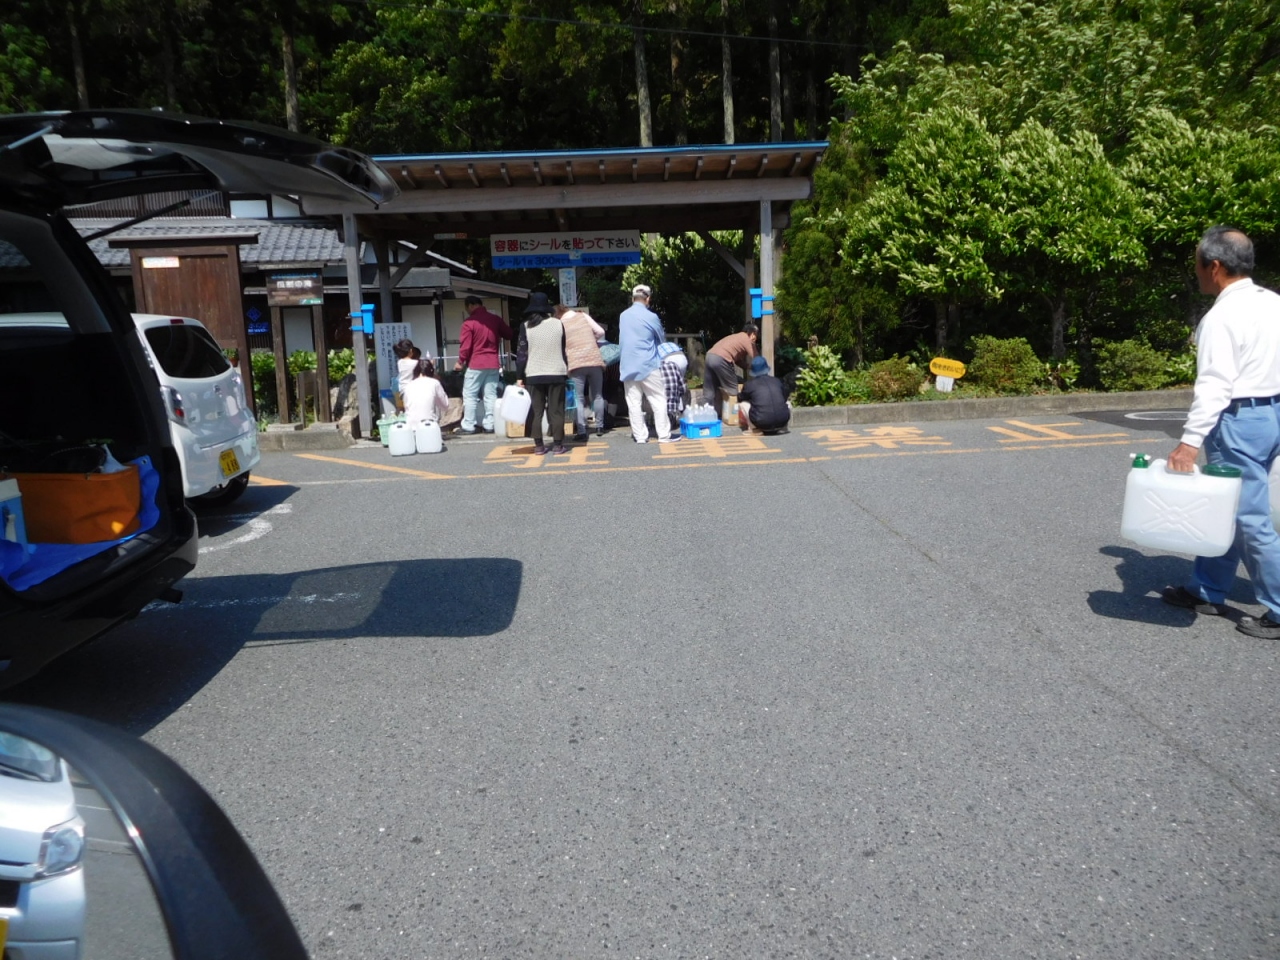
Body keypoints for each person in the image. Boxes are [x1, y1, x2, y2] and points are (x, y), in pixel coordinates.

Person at [1160, 226, 1280, 638]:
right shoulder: (1273, 302)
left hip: (1238, 419)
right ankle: (1207, 588)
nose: (1195, 271)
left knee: (1249, 518)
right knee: (1227, 506)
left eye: (1197, 263)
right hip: (1272, 413)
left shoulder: (1221, 317)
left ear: (1214, 266)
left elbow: (1214, 385)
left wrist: (1188, 443)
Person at [618, 284, 681, 444]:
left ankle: (640, 436)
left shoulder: (623, 316)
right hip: (648, 364)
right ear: (648, 299)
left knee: (633, 402)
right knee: (658, 399)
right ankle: (664, 435)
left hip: (627, 365)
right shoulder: (651, 317)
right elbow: (661, 338)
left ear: (633, 298)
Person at [515, 292, 569, 455]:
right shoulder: (558, 324)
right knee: (556, 410)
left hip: (534, 373)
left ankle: (539, 445)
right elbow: (563, 350)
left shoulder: (526, 326)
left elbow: (522, 354)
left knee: (535, 411)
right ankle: (558, 445)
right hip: (557, 372)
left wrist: (519, 376)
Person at [456, 295, 514, 435]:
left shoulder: (469, 323)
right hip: (493, 363)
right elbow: (509, 334)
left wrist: (460, 361)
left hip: (476, 363)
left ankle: (469, 425)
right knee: (490, 395)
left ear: (471, 305)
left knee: (470, 395)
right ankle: (490, 424)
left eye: (467, 308)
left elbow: (466, 346)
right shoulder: (495, 319)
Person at [556, 303, 607, 441]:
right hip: (594, 360)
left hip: (576, 363)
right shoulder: (582, 315)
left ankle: (582, 431)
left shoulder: (560, 323)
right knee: (598, 395)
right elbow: (600, 332)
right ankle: (600, 427)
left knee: (578, 398)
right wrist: (591, 340)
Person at [702, 324, 759, 415]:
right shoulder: (746, 339)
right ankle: (733, 416)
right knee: (732, 389)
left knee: (709, 390)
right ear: (752, 334)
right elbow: (756, 358)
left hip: (709, 356)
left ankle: (706, 415)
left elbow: (737, 360)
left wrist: (747, 366)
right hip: (722, 359)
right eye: (756, 335)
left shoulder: (736, 337)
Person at [736, 355, 792, 434]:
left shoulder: (749, 384)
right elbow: (785, 396)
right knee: (788, 403)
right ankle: (784, 427)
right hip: (783, 420)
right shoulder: (777, 381)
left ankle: (754, 429)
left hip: (761, 422)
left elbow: (740, 398)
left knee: (743, 404)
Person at [400, 357, 449, 425]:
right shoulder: (435, 383)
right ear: (431, 371)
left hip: (410, 425)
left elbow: (406, 406)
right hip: (429, 425)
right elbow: (445, 405)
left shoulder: (408, 386)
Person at [657, 341, 688, 433]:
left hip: (668, 359)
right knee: (678, 382)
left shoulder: (655, 348)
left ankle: (672, 413)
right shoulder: (668, 344)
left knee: (669, 382)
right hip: (682, 358)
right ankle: (679, 410)